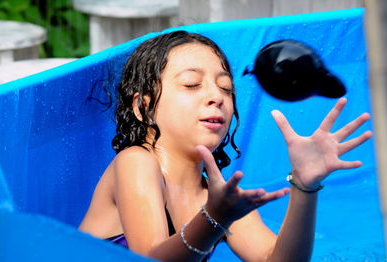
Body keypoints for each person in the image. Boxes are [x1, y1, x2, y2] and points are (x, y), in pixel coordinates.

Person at [78, 30, 373, 261]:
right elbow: (150, 259)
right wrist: (214, 219)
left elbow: (277, 259)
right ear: (144, 108)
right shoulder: (137, 162)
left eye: (226, 89)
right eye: (192, 84)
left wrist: (304, 185)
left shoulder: (216, 197)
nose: (216, 97)